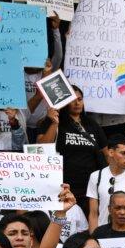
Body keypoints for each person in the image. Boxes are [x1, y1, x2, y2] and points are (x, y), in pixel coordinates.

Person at [37, 85, 108, 214]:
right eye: (72, 100)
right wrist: (54, 123)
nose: (77, 103)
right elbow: (42, 147)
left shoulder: (92, 124)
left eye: (80, 99)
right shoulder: (54, 121)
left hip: (90, 189)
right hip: (65, 188)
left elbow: (106, 153)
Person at [87, 136, 125, 232]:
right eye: (124, 153)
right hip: (103, 233)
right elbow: (93, 213)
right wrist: (94, 238)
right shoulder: (96, 176)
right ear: (111, 152)